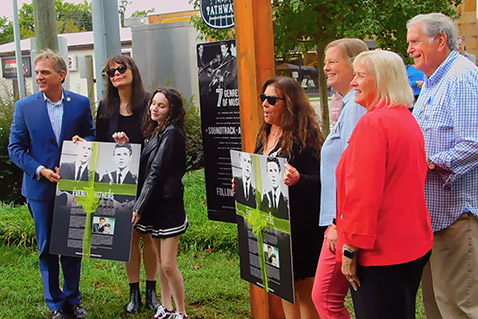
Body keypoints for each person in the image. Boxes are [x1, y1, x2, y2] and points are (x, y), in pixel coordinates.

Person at [336, 50, 433, 319]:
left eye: (360, 75)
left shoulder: (374, 123)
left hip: (381, 251)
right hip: (411, 244)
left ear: (382, 81)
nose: (353, 82)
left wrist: (350, 248)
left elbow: (362, 194)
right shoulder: (405, 118)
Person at [8, 49, 95, 319]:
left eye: (44, 72)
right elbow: (16, 148)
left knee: (72, 245)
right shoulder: (25, 107)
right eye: (37, 73)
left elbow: (91, 134)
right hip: (40, 188)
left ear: (61, 75)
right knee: (46, 247)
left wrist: (86, 143)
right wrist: (40, 170)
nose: (39, 77)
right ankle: (55, 304)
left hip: (72, 186)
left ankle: (73, 299)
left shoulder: (80, 103)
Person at [407, 13, 478, 318]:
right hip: (431, 218)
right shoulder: (434, 81)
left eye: (415, 41)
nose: (409, 49)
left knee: (457, 308)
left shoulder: (460, 77)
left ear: (440, 41)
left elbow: (473, 142)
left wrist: (432, 162)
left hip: (455, 216)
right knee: (437, 306)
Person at [256, 76, 325, 319]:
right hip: (273, 225)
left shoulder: (306, 139)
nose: (265, 104)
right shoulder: (265, 134)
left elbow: (323, 182)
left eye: (272, 100)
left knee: (304, 291)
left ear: (290, 103)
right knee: (284, 288)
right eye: (263, 98)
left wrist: (299, 180)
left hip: (301, 227)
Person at [311, 38, 368, 319]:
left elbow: (355, 171)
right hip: (341, 222)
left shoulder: (357, 107)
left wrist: (337, 223)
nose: (325, 68)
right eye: (325, 61)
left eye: (333, 61)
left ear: (355, 64)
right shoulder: (347, 103)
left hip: (343, 225)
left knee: (325, 297)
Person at [96, 54, 157, 314]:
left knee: (149, 236)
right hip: (120, 181)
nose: (117, 74)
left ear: (133, 70)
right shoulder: (105, 107)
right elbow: (100, 145)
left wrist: (131, 146)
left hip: (147, 178)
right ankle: (134, 292)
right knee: (128, 237)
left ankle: (152, 291)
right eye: (111, 72)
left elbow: (159, 142)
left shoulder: (149, 103)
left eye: (122, 68)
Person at [132, 87, 189, 319]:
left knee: (167, 264)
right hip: (154, 205)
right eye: (153, 103)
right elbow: (146, 167)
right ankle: (165, 307)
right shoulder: (155, 131)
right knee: (157, 258)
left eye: (161, 105)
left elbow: (155, 172)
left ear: (171, 110)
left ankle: (181, 312)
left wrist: (138, 207)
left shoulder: (172, 133)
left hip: (167, 205)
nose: (154, 108)